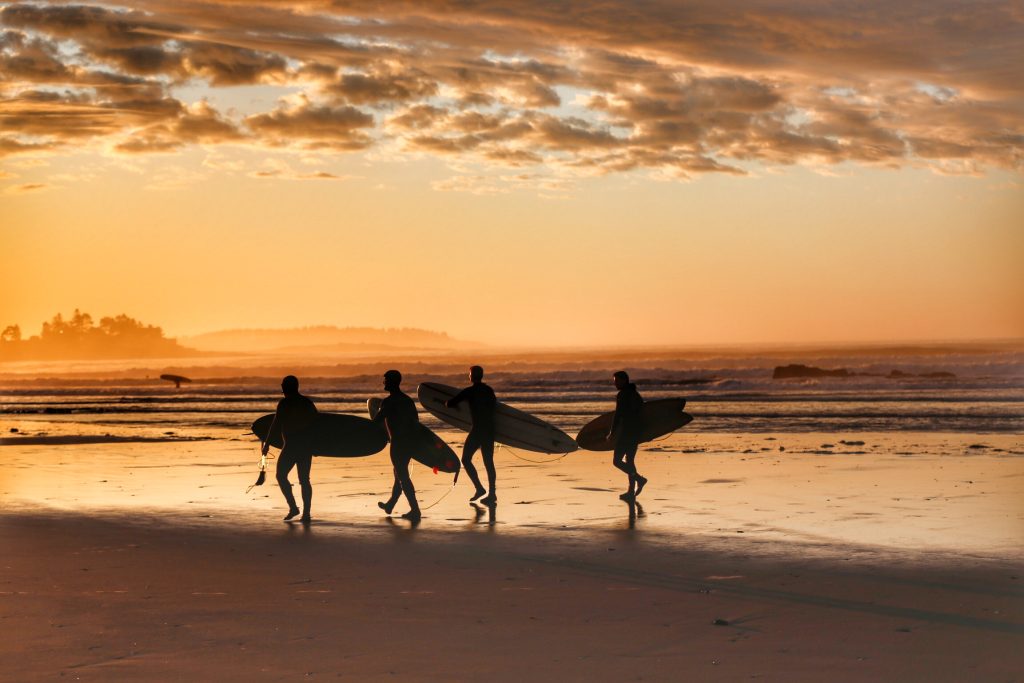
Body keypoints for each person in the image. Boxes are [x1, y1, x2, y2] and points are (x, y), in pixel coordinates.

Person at [261, 375, 318, 522]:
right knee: (304, 480)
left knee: (281, 476)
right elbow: (318, 424)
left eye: (283, 385)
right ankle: (306, 513)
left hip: (292, 446)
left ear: (285, 387)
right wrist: (318, 445)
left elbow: (275, 424)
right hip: (306, 447)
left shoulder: (285, 403)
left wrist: (266, 443)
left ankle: (293, 507)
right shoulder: (307, 402)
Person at [372, 369, 422, 521]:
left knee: (402, 476)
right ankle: (390, 504)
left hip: (398, 443)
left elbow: (376, 422)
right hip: (409, 442)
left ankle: (415, 510)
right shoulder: (407, 400)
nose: (384, 382)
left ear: (392, 382)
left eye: (386, 380)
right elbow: (416, 423)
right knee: (398, 473)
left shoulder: (388, 402)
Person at [446, 365, 498, 504]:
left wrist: (445, 403)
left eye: (469, 374)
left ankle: (479, 488)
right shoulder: (489, 390)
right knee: (488, 462)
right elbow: (494, 407)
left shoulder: (469, 391)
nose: (468, 376)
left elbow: (450, 403)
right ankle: (492, 494)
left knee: (466, 459)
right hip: (489, 430)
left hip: (478, 430)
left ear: (472, 376)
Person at [609, 370, 647, 500]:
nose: (615, 383)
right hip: (636, 431)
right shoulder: (634, 393)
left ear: (624, 380)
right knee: (629, 460)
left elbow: (618, 415)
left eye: (617, 381)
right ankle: (631, 492)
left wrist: (612, 432)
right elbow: (642, 409)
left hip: (627, 432)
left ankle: (639, 480)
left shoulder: (623, 395)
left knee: (617, 461)